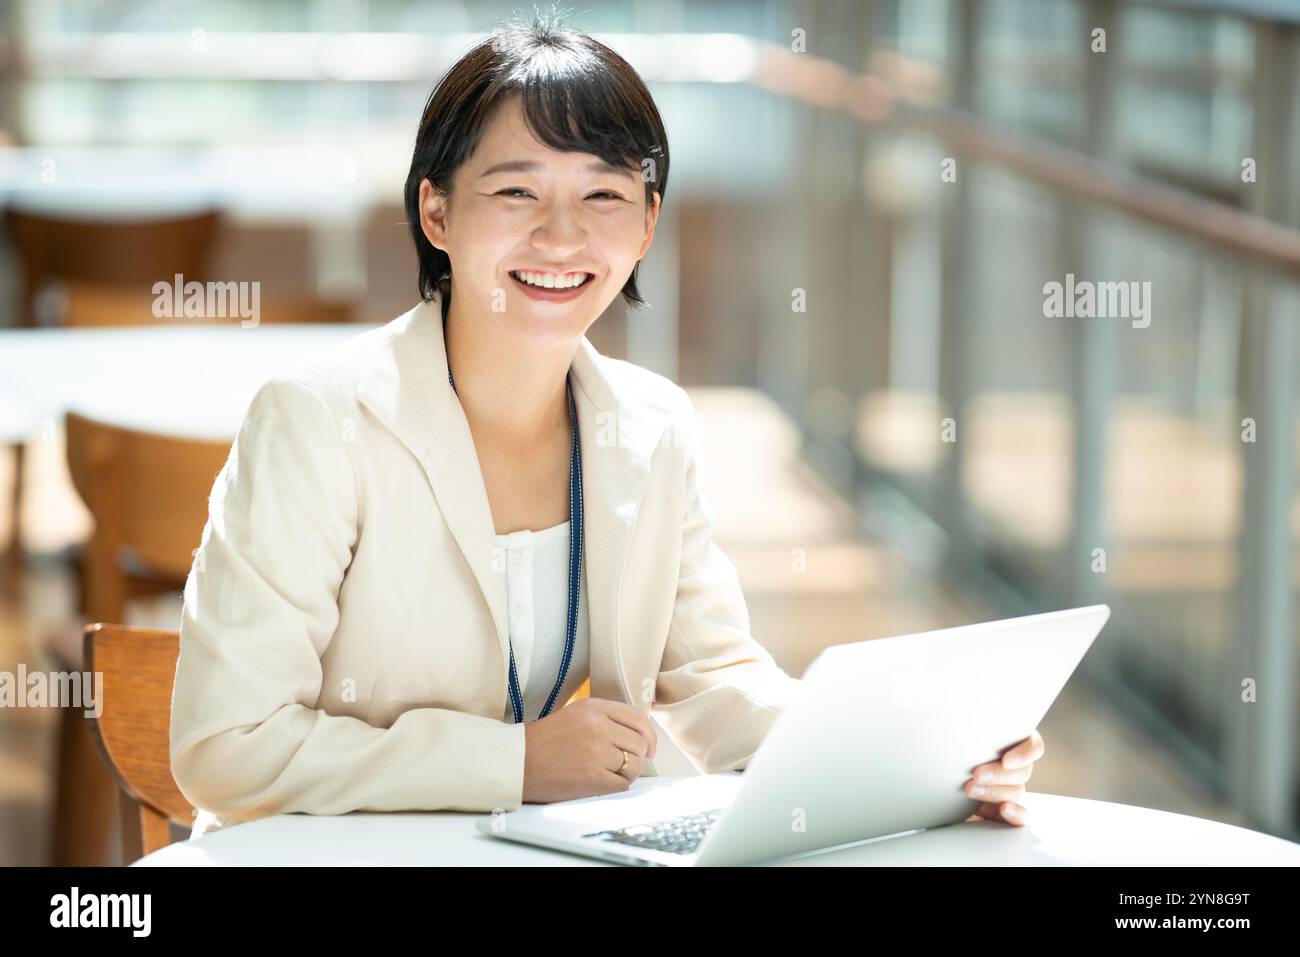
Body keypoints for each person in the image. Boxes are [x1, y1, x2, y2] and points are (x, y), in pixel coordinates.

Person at [170, 12, 1041, 839]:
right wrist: (511, 762)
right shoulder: (318, 421)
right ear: (436, 213)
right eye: (517, 191)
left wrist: (917, 760)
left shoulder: (652, 425)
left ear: (650, 222)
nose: (562, 236)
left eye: (604, 195)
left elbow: (714, 680)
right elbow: (226, 748)